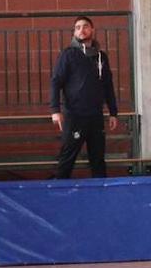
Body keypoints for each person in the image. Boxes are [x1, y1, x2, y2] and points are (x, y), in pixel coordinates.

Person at [50, 15, 119, 178]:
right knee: (67, 158)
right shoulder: (68, 54)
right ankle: (59, 193)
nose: (82, 30)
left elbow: (108, 85)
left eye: (85, 26)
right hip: (75, 115)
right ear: (74, 32)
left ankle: (101, 194)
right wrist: (55, 110)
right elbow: (56, 81)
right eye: (78, 27)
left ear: (92, 30)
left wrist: (113, 112)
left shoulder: (102, 57)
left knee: (98, 159)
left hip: (95, 116)